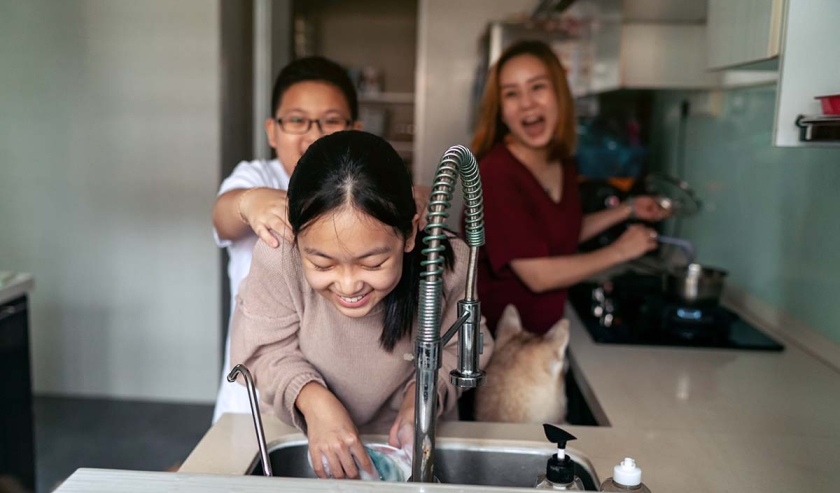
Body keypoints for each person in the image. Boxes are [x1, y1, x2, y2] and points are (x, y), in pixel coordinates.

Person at [230, 130, 493, 479]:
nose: (349, 285)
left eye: (372, 264)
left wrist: (420, 402)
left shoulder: (444, 264)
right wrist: (314, 401)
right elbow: (264, 351)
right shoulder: (280, 256)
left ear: (411, 234)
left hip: (405, 437)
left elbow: (463, 348)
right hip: (303, 430)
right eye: (323, 264)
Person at [211, 57, 428, 423]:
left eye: (331, 121)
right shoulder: (256, 176)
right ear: (272, 130)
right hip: (264, 373)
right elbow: (222, 216)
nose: (313, 133)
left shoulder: (361, 191)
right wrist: (249, 202)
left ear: (356, 129)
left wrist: (411, 200)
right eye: (297, 120)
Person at [471, 40, 667, 335]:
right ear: (501, 110)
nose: (527, 103)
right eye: (511, 94)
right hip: (503, 351)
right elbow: (537, 275)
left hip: (544, 338)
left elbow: (559, 234)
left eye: (537, 87)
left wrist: (628, 210)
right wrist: (621, 251)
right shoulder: (496, 174)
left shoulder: (561, 163)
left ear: (559, 94)